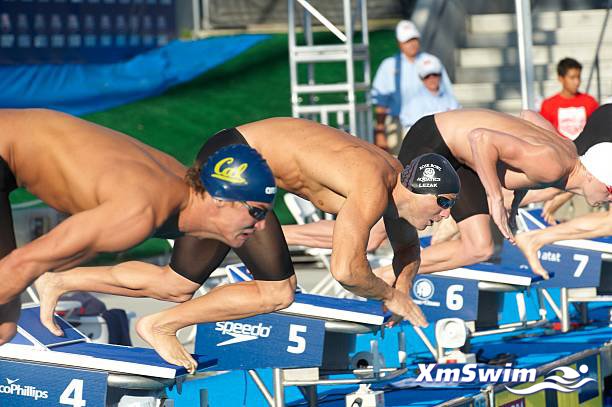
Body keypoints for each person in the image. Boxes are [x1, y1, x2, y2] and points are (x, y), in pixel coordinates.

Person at [37, 117, 461, 363]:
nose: (445, 214)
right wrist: (391, 295)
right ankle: (156, 323)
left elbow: (407, 249)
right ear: (420, 189)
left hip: (242, 163)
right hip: (237, 165)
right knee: (278, 291)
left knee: (175, 285)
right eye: (443, 203)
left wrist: (403, 290)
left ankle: (60, 280)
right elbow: (347, 270)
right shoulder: (371, 185)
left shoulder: (398, 192)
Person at [0, 108, 296, 374]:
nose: (260, 226)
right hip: (5, 150)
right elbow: (22, 264)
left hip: (11, 154)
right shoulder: (138, 213)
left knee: (5, 324)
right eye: (256, 213)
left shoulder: (182, 195)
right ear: (219, 201)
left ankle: (56, 283)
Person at [390, 108, 611, 279]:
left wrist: (516, 199)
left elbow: (529, 116)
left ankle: (386, 275)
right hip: (435, 140)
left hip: (462, 161)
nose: (610, 198)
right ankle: (361, 273)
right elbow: (480, 138)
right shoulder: (554, 166)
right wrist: (495, 197)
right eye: (610, 190)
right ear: (592, 175)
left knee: (480, 247)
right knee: (387, 221)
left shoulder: (569, 154)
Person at [371, 20, 455, 151]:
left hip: (433, 124)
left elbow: (446, 92)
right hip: (398, 123)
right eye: (407, 41)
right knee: (399, 163)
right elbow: (381, 103)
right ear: (399, 43)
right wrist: (380, 132)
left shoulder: (432, 61)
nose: (412, 44)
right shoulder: (388, 66)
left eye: (414, 39)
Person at [539, 57, 599, 140]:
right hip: (560, 149)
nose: (577, 82)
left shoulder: (590, 101)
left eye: (578, 77)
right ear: (561, 78)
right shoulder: (548, 104)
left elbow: (597, 128)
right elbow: (544, 134)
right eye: (572, 78)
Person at [401, 54, 460, 129]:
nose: (431, 79)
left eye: (435, 75)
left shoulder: (451, 100)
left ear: (440, 76)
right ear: (421, 79)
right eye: (427, 76)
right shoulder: (413, 101)